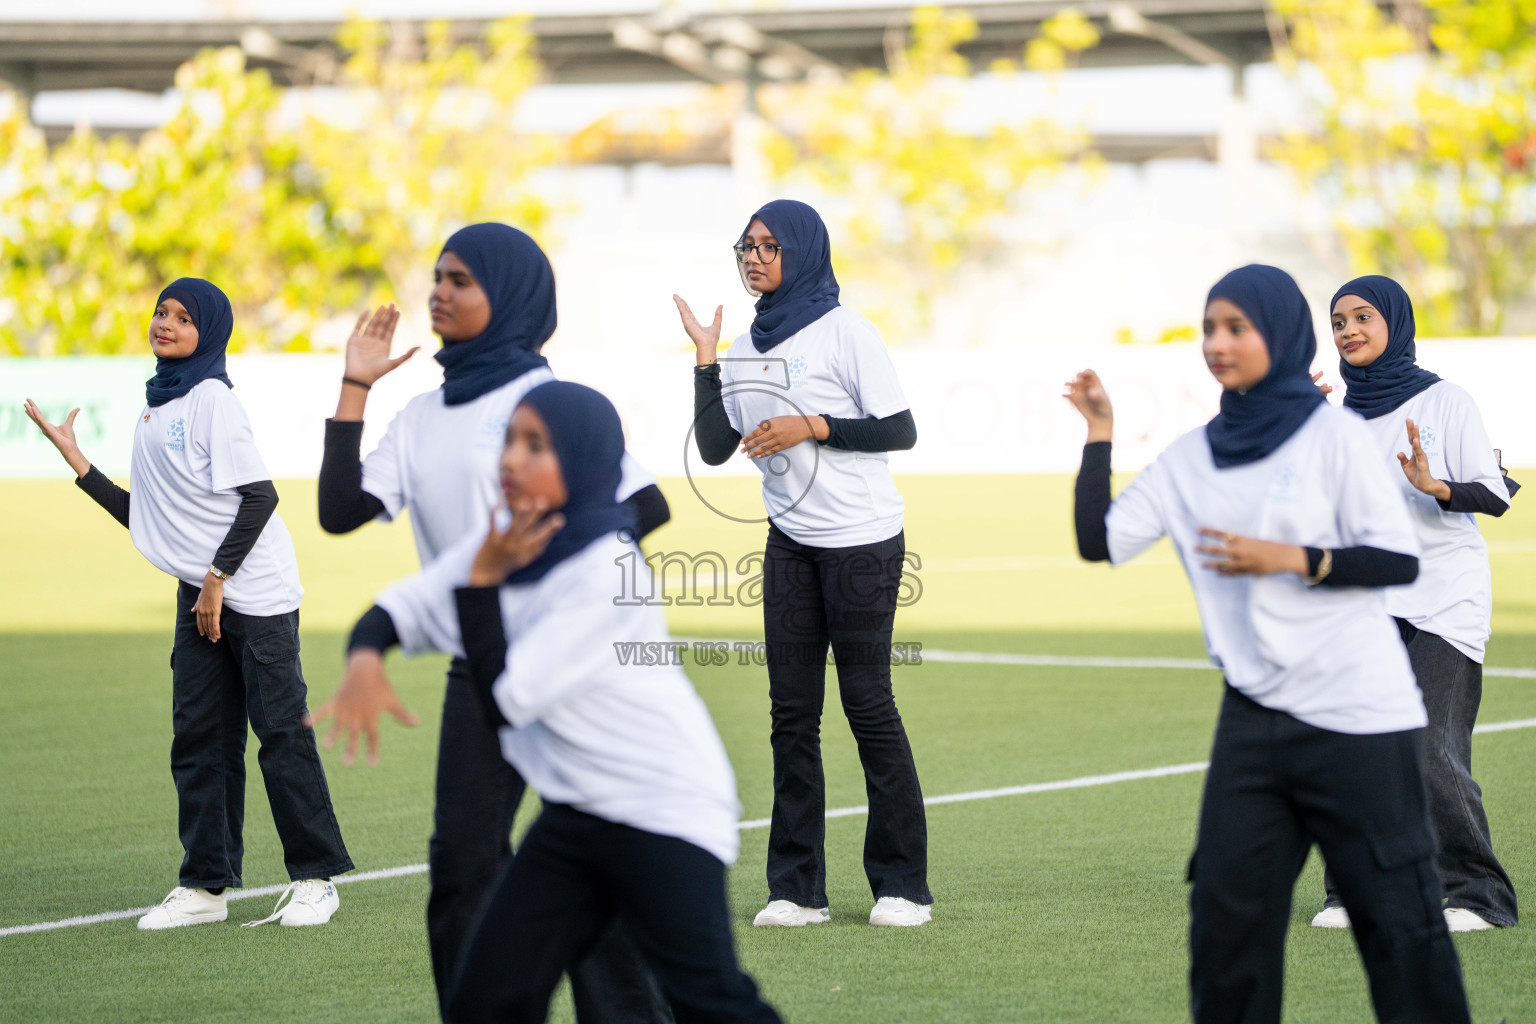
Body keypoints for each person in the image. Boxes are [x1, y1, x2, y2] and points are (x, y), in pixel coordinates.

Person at [1066, 264, 1471, 1024]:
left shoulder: (1335, 439)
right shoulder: (1189, 457)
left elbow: (1397, 559)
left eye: (1237, 328)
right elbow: (1100, 541)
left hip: (1359, 718)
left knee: (1400, 928)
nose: (1218, 343)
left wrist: (1293, 558)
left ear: (1279, 336)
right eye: (1210, 328)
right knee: (1227, 927)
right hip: (1253, 719)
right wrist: (1099, 433)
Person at [323, 380, 782, 1024]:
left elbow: (506, 701)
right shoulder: (508, 539)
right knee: (487, 1001)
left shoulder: (604, 573)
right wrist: (366, 657)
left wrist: (482, 585)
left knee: (709, 1000)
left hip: (662, 809)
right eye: (509, 439)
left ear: (583, 458)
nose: (510, 458)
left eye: (535, 445)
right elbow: (402, 606)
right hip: (578, 814)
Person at [315, 224, 671, 1020]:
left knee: (594, 861)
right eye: (437, 276)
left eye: (462, 280)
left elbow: (645, 507)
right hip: (479, 668)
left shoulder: (547, 405)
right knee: (463, 861)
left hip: (577, 670)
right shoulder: (417, 416)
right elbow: (339, 512)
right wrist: (355, 388)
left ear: (507, 294)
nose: (439, 291)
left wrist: (519, 567)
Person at [24, 278, 352, 930]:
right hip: (202, 589)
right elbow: (146, 517)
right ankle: (206, 886)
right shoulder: (155, 409)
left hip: (250, 589)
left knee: (280, 731)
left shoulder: (212, 400)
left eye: (182, 316)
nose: (165, 323)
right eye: (159, 311)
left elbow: (261, 497)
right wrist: (79, 463)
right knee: (200, 737)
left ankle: (316, 879)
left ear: (211, 330)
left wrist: (216, 578)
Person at [674, 198, 930, 928]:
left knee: (867, 704)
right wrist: (705, 358)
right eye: (745, 246)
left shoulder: (846, 331)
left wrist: (810, 426)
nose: (754, 256)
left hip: (863, 542)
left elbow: (900, 429)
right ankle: (796, 889)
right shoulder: (749, 344)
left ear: (804, 253)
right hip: (790, 542)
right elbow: (719, 445)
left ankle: (902, 885)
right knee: (792, 716)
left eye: (768, 246)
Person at [1307, 274, 1519, 933]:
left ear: (1394, 321)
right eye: (1338, 321)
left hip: (1442, 598)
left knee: (1430, 745)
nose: (1349, 330)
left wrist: (1436, 486)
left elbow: (1498, 493)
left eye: (1362, 316)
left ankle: (1478, 894)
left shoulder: (1446, 401)